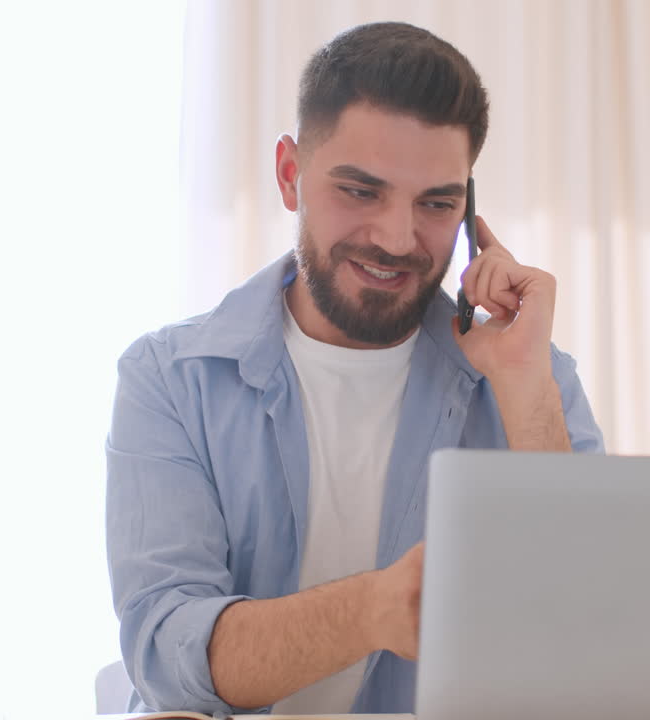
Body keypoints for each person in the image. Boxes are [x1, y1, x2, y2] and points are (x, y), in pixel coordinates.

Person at [106, 21, 604, 715]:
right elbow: (167, 656)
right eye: (361, 191)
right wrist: (376, 609)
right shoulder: (171, 378)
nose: (398, 239)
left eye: (437, 202)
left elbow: (591, 642)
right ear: (291, 176)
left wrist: (528, 394)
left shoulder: (530, 377)